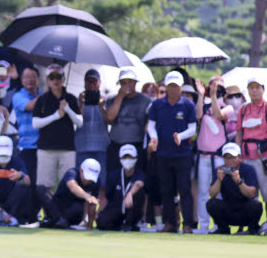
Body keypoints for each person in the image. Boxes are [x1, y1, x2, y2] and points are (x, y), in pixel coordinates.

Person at [147, 70, 197, 233]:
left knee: (184, 190)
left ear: (182, 87)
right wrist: (154, 137)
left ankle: (188, 223)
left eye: (176, 86)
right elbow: (151, 125)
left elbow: (192, 128)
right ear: (166, 87)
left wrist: (180, 136)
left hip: (182, 154)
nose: (173, 89)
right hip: (163, 154)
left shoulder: (188, 105)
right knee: (166, 190)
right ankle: (170, 223)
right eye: (170, 86)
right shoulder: (157, 105)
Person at [33, 64, 81, 195]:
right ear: (48, 80)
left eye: (58, 77)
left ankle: (65, 213)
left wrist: (68, 110)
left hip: (67, 149)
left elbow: (80, 122)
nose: (55, 80)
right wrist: (55, 116)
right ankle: (48, 214)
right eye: (52, 77)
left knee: (69, 184)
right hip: (46, 149)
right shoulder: (42, 99)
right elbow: (35, 123)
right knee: (44, 185)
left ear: (63, 79)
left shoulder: (70, 98)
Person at [193, 77, 233, 233]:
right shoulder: (204, 105)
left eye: (220, 88)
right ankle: (204, 226)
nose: (216, 90)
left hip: (218, 157)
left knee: (218, 192)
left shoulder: (227, 107)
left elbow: (218, 115)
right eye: (214, 87)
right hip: (203, 157)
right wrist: (202, 95)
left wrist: (215, 96)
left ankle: (218, 225)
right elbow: (197, 116)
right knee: (203, 192)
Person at [207, 142, 263, 234]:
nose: (230, 161)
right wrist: (219, 180)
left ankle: (252, 229)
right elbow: (212, 194)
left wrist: (239, 182)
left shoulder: (248, 169)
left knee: (256, 205)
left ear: (240, 157)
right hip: (229, 209)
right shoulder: (219, 170)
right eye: (227, 158)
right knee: (211, 204)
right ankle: (223, 229)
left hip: (245, 208)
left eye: (233, 157)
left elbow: (252, 194)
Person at [75, 69, 110, 201]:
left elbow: (109, 119)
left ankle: (100, 211)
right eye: (88, 81)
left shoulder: (105, 101)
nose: (91, 84)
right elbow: (77, 120)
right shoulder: (78, 101)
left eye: (94, 81)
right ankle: (84, 213)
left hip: (101, 147)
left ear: (99, 83)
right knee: (83, 181)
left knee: (102, 182)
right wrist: (81, 104)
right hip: (82, 147)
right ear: (84, 83)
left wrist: (102, 106)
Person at [235, 78, 267, 213]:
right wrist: (238, 155)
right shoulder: (243, 109)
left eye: (257, 87)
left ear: (263, 89)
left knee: (266, 192)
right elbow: (239, 134)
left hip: (263, 157)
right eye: (251, 87)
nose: (254, 90)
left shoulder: (266, 108)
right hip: (246, 157)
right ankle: (252, 225)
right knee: (249, 192)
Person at [39, 159, 101, 229]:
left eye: (91, 179)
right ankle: (59, 221)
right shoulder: (72, 172)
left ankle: (55, 222)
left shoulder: (96, 182)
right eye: (86, 176)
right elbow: (72, 186)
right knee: (41, 189)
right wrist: (87, 196)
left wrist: (90, 226)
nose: (88, 181)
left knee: (78, 208)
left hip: (74, 213)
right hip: (57, 208)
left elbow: (92, 204)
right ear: (81, 170)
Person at [97, 144, 147, 231]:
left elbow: (139, 183)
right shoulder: (114, 175)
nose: (128, 160)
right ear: (120, 159)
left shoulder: (140, 173)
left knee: (139, 192)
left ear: (136, 158)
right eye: (125, 157)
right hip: (117, 208)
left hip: (133, 209)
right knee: (102, 221)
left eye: (131, 157)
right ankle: (120, 226)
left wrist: (130, 194)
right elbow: (108, 195)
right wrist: (99, 212)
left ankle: (135, 222)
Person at [11, 67, 40, 184]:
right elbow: (30, 106)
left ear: (38, 79)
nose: (29, 80)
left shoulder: (42, 95)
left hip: (43, 147)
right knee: (28, 183)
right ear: (22, 80)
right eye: (26, 77)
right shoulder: (18, 96)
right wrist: (49, 94)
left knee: (40, 184)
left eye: (33, 76)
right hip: (27, 146)